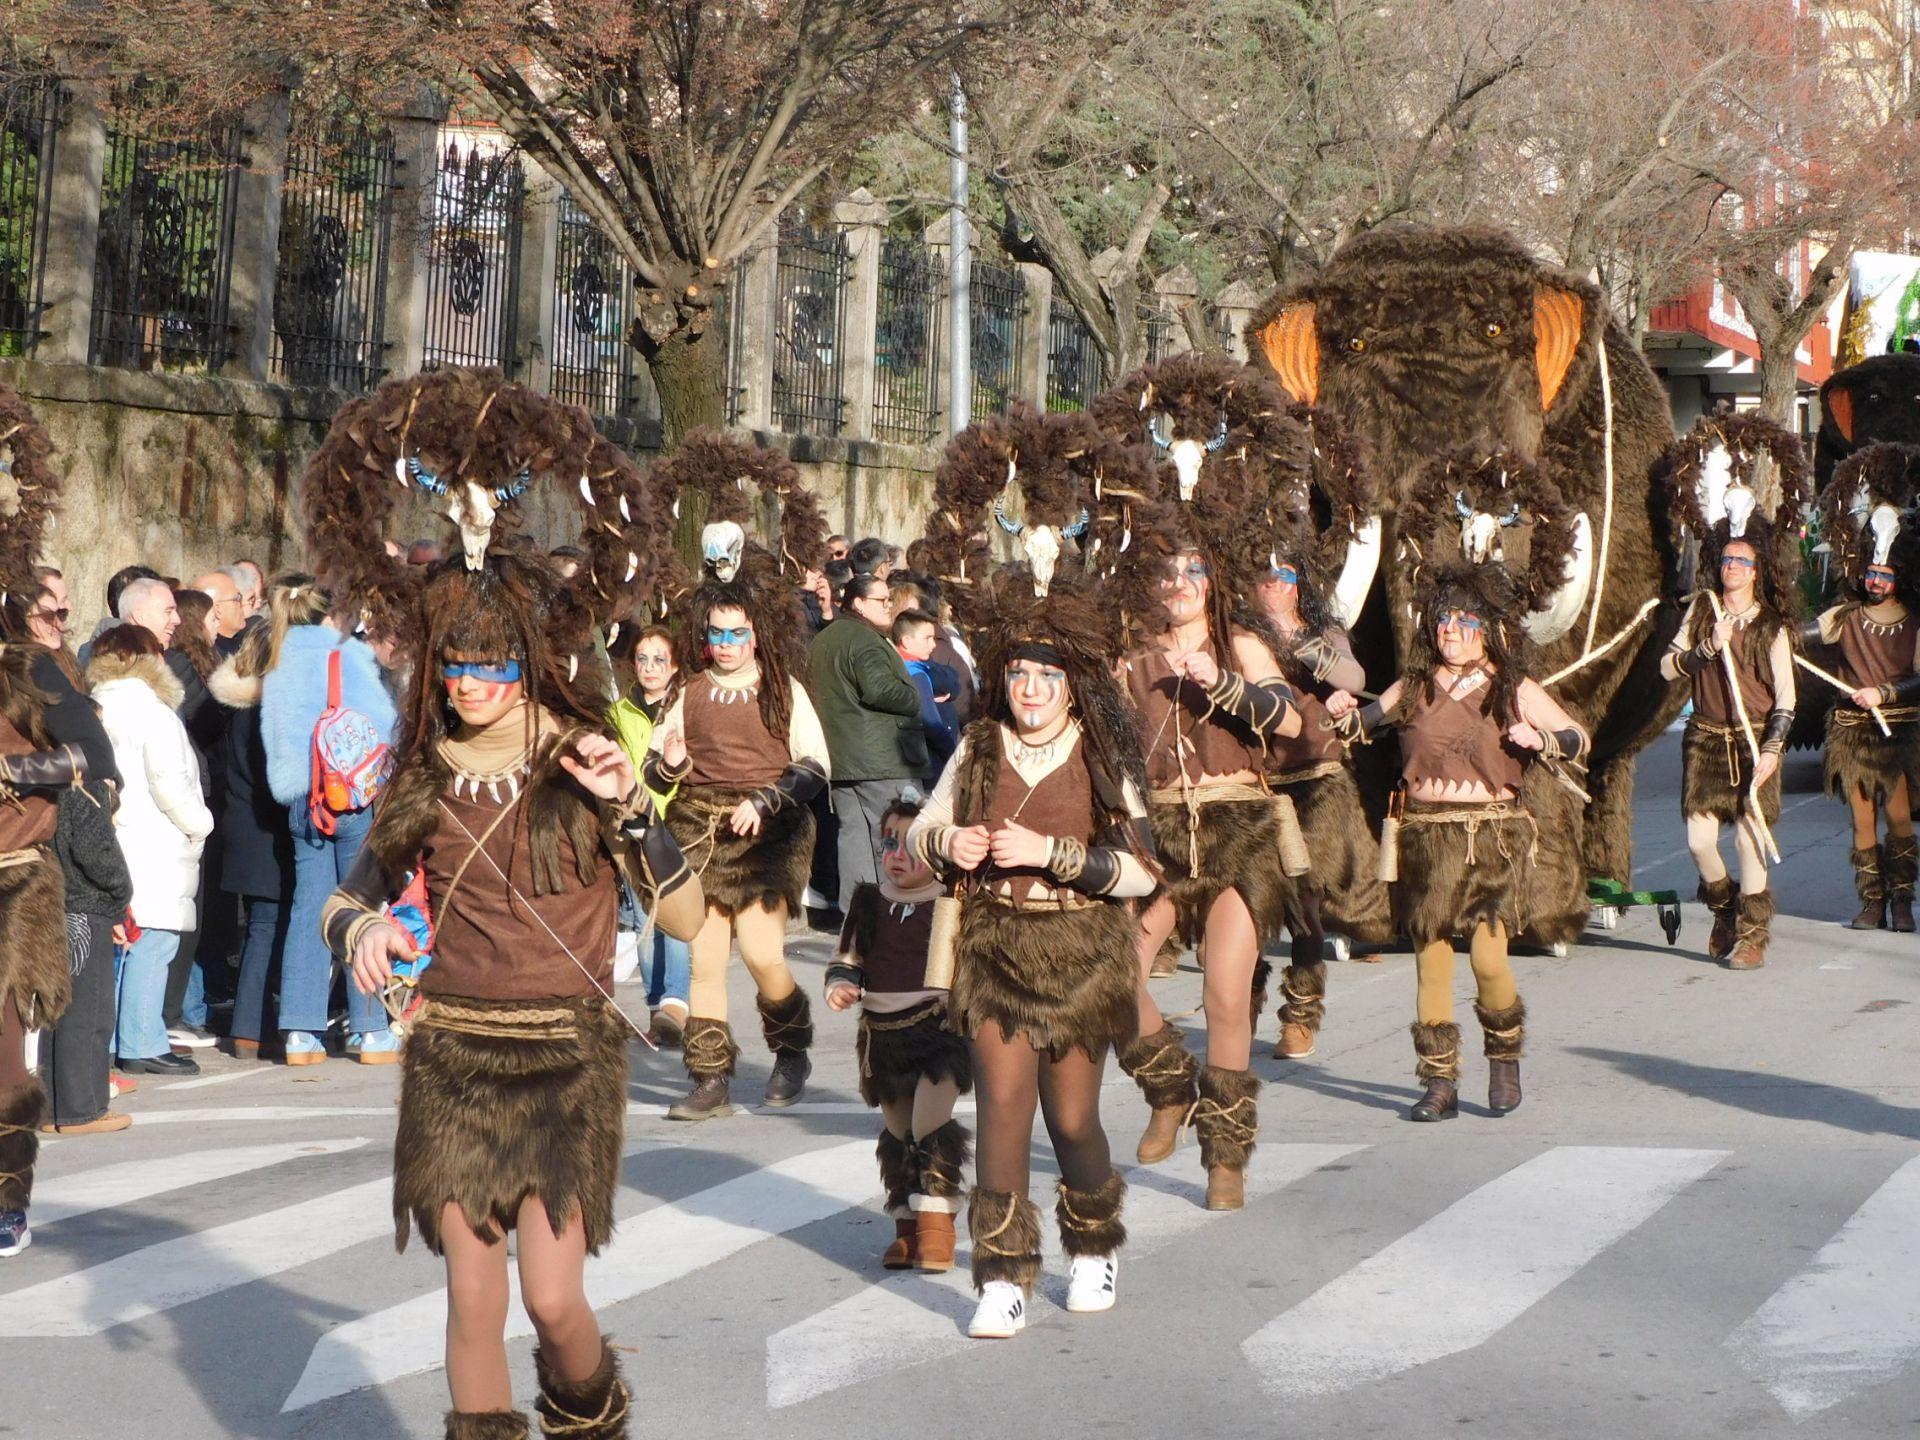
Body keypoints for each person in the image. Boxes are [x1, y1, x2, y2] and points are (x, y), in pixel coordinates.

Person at [310, 366, 699, 1439]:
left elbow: (684, 920)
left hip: (566, 1056)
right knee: (471, 1304)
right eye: (458, 661)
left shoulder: (582, 759)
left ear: (526, 660)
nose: (471, 679)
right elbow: (349, 894)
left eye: (491, 660)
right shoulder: (423, 770)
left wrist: (632, 809)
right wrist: (366, 928)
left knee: (552, 1299)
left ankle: (594, 1414)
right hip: (454, 1052)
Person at [906, 575, 1155, 1340]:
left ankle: (1091, 1241)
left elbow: (1144, 870)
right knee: (1004, 1111)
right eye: (1019, 674)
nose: (1032, 688)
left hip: (1081, 949)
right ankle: (1003, 1274)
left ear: (1073, 686)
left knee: (1073, 1120)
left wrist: (1054, 854)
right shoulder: (979, 746)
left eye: (1048, 676)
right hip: (995, 947)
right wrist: (952, 842)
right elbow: (920, 831)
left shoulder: (1102, 750)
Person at [1328, 566, 1585, 1121]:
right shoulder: (1413, 686)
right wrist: (1343, 713)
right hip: (1425, 839)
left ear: (1488, 629)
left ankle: (1504, 1056)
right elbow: (1360, 729)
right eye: (1443, 619)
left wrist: (1540, 737)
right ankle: (1439, 1084)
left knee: (1489, 961)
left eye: (1464, 621)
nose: (1450, 630)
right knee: (1432, 964)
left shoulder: (1514, 688)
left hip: (1490, 841)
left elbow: (1575, 736)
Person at [1118, 548, 1302, 1209]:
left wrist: (1223, 683)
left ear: (1214, 582)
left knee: (1226, 994)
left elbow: (1289, 718)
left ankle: (1225, 1157)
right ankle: (1169, 1090)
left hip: (1238, 831)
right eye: (1166, 573)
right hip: (1159, 834)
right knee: (1116, 975)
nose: (1180, 585)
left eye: (1194, 572)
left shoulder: (1243, 644)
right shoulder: (1131, 656)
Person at [647, 583, 829, 1118]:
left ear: (755, 636)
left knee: (760, 951)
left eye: (736, 633)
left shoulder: (783, 689)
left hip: (770, 830)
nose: (725, 644)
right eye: (716, 634)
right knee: (704, 961)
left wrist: (764, 799)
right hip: (700, 828)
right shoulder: (689, 691)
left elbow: (815, 766)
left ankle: (791, 1050)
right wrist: (673, 764)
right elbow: (656, 770)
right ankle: (709, 1079)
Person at [825, 798, 971, 1271]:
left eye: (910, 843)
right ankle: (906, 1226)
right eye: (889, 842)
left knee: (930, 1126)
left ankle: (937, 1229)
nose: (897, 854)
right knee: (898, 1131)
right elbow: (846, 959)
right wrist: (843, 985)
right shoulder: (868, 901)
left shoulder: (953, 901)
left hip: (939, 1033)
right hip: (882, 1039)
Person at [1255, 553, 1391, 1059]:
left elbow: (1353, 680)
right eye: (1264, 577)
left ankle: (1301, 1014)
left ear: (1298, 585)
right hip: (1254, 780)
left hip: (1313, 778)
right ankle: (1246, 994)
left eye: (1284, 577)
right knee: (1249, 899)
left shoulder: (1321, 631)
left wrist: (1294, 643)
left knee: (1303, 898)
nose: (1272, 586)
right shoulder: (1236, 634)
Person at [260, 577, 400, 1063]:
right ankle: (369, 1029)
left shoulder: (276, 660)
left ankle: (300, 1032)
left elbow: (274, 736)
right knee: (361, 904)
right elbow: (383, 724)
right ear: (328, 615)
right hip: (351, 797)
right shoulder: (346, 654)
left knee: (309, 910)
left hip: (302, 798)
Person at [1661, 536, 1796, 969]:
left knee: (1746, 838)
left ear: (1755, 572)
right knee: (1699, 843)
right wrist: (1706, 648)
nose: (1732, 566)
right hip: (1705, 739)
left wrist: (1773, 750)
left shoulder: (1771, 625)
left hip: (1755, 740)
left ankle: (1753, 937)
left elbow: (1786, 698)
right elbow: (1668, 667)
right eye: (1726, 560)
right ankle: (1724, 913)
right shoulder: (1703, 611)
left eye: (1742, 561)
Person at [88, 625, 213, 1078]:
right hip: (156, 842)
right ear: (145, 657)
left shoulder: (98, 706)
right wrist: (200, 824)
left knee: (124, 944)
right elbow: (171, 783)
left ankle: (121, 1040)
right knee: (155, 941)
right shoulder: (154, 712)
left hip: (116, 839)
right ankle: (142, 1040)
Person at [1802, 558, 1920, 930]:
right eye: (1871, 573)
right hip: (1851, 731)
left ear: (1898, 580)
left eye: (1885, 575)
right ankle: (1872, 901)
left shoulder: (1914, 621)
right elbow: (1798, 635)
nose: (1876, 581)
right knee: (1861, 818)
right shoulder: (1845, 616)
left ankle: (1902, 901)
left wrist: (1883, 693)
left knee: (1899, 817)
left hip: (1897, 734)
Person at [209, 585, 298, 1059]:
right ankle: (252, 1026)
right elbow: (275, 779)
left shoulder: (240, 708)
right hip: (267, 834)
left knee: (265, 926)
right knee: (267, 926)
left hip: (247, 832)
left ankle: (253, 1025)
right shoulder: (265, 712)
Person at [810, 573, 926, 914]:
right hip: (881, 759)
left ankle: (857, 921)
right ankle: (899, 915)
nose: (889, 606)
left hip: (841, 759)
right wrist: (914, 695)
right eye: (881, 600)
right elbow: (879, 689)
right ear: (858, 603)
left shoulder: (824, 639)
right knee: (896, 835)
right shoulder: (864, 640)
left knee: (854, 839)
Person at [606, 624, 691, 1048]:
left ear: (674, 665)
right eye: (643, 659)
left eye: (660, 659)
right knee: (643, 918)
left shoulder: (686, 707)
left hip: (675, 821)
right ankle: (658, 1007)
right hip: (630, 822)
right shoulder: (618, 713)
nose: (650, 667)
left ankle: (677, 1002)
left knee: (671, 914)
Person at [891, 607, 956, 778]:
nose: (933, 645)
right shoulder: (916, 674)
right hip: (924, 763)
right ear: (906, 641)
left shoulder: (890, 667)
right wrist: (954, 755)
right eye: (927, 638)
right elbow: (931, 724)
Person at [192, 568, 249, 648]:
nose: (242, 604)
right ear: (218, 610)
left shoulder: (245, 641)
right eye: (237, 599)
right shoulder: (205, 655)